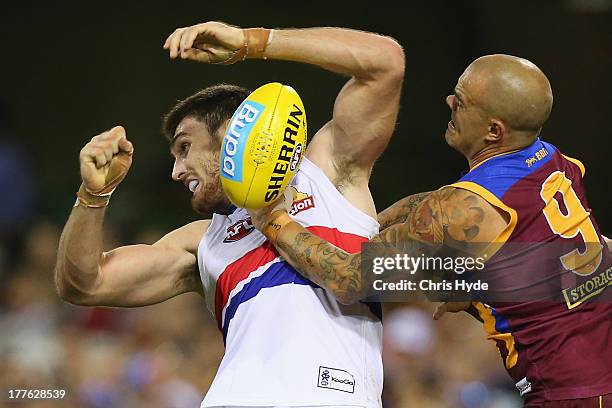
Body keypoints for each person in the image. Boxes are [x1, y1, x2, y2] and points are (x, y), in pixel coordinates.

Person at [54, 21, 405, 407]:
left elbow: (383, 62)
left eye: (185, 148)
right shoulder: (203, 240)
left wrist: (251, 42)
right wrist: (93, 193)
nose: (176, 172)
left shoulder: (327, 170)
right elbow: (83, 284)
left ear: (232, 131)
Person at [249, 54, 612, 407]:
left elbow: (349, 280)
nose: (450, 100)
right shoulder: (553, 160)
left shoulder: (465, 208)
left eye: (464, 100)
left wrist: (273, 220)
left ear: (493, 131)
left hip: (573, 392)